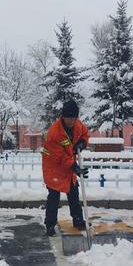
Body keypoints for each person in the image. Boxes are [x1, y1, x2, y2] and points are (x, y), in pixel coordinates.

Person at [42, 100, 89, 236]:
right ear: (63, 116)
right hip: (53, 166)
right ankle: (50, 224)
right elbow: (60, 156)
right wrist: (74, 166)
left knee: (73, 192)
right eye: (69, 118)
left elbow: (85, 133)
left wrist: (82, 142)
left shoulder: (78, 125)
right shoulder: (54, 133)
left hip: (68, 165)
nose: (72, 121)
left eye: (74, 118)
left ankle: (78, 220)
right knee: (54, 196)